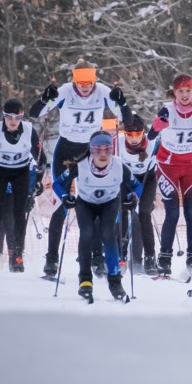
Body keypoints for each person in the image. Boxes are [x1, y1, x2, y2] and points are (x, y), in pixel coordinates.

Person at [29, 59, 132, 277]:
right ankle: (51, 259)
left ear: (94, 79)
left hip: (91, 153)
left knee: (94, 204)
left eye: (88, 82)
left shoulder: (103, 91)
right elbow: (34, 113)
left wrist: (122, 103)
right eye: (80, 82)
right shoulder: (65, 91)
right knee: (61, 204)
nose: (85, 87)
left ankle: (97, 258)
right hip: (66, 150)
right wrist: (44, 98)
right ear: (74, 80)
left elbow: (127, 120)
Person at [53, 131, 141, 302]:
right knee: (86, 233)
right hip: (85, 203)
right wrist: (65, 196)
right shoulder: (80, 165)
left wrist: (134, 197)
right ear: (91, 150)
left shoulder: (119, 166)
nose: (102, 154)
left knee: (108, 233)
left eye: (107, 150)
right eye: (97, 150)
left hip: (109, 202)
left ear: (112, 150)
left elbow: (138, 186)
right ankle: (85, 280)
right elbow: (58, 184)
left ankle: (115, 282)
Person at [146, 74, 192, 277]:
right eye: (180, 91)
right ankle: (164, 259)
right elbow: (150, 136)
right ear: (174, 93)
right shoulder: (167, 110)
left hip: (190, 166)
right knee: (172, 212)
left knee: (191, 212)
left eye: (188, 91)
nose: (184, 95)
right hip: (167, 165)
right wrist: (155, 128)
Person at [0, 98, 45, 272]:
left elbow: (41, 158)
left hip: (21, 172)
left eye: (17, 117)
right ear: (3, 116)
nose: (13, 121)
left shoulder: (28, 130)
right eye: (9, 117)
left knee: (19, 214)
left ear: (21, 117)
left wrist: (38, 182)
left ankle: (17, 257)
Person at [117, 115, 158, 275]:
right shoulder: (118, 143)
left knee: (144, 213)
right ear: (125, 133)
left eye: (138, 134)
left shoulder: (153, 143)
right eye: (130, 134)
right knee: (123, 212)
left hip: (148, 178)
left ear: (143, 132)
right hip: (127, 179)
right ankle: (121, 255)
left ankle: (149, 258)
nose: (134, 139)